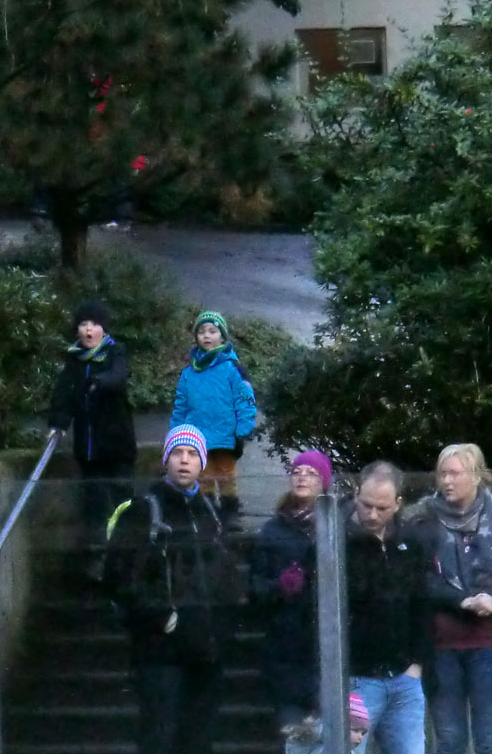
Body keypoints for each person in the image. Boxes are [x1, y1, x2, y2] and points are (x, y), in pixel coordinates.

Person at [102, 424, 239, 754]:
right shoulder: (142, 511)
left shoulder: (211, 513)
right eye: (177, 452)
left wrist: (222, 628)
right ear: (165, 459)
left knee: (199, 738)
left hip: (205, 650)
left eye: (192, 454)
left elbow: (226, 576)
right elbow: (118, 577)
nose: (184, 460)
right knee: (159, 735)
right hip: (158, 652)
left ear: (202, 463)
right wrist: (158, 617)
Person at [407, 443, 492, 754]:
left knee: (490, 739)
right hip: (440, 646)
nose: (446, 481)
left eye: (454, 473)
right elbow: (416, 580)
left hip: (491, 643)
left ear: (477, 476)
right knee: (449, 740)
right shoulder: (421, 522)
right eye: (442, 474)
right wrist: (461, 600)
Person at [345, 461, 430, 754]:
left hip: (404, 676)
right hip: (356, 677)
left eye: (381, 508)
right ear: (356, 494)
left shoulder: (411, 543)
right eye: (366, 505)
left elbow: (422, 605)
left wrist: (417, 664)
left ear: (398, 504)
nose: (372, 514)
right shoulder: (338, 541)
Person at [249, 450, 333, 729]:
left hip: (327, 641)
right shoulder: (273, 530)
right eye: (297, 472)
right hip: (286, 645)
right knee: (293, 732)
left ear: (325, 481)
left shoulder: (336, 525)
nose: (302, 477)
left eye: (311, 473)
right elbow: (255, 587)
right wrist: (280, 587)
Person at [48, 299, 137, 554]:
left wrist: (98, 381)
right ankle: (97, 551)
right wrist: (58, 424)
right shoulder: (74, 361)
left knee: (122, 500)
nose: (88, 330)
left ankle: (127, 547)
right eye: (83, 324)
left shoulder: (115, 352)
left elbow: (119, 376)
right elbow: (63, 396)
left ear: (104, 330)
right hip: (88, 451)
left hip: (117, 447)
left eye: (94, 324)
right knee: (94, 504)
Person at [170, 310, 257, 526]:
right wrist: (176, 433)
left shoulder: (232, 368)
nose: (206, 336)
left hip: (226, 433)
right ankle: (205, 511)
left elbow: (245, 399)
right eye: (201, 332)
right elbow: (181, 405)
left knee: (226, 473)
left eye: (212, 331)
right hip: (197, 435)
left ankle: (230, 512)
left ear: (222, 336)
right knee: (203, 475)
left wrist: (245, 426)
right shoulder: (189, 373)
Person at [284, 692, 371, 754]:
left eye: (363, 733)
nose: (360, 737)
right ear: (339, 727)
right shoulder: (320, 748)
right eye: (355, 730)